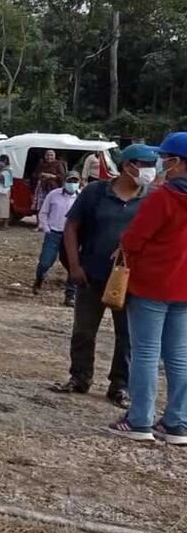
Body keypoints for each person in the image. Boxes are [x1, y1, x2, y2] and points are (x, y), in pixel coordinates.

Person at [52, 143, 157, 407]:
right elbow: (71, 226)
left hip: (132, 279)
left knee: (127, 335)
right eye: (145, 166)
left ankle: (119, 385)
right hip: (92, 274)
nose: (149, 171)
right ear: (127, 165)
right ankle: (79, 377)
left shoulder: (152, 198)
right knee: (84, 330)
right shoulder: (96, 192)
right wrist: (74, 266)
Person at [109, 133, 187, 444]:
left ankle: (139, 420)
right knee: (179, 357)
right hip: (184, 287)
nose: (160, 164)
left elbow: (134, 239)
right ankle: (176, 423)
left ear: (177, 162)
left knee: (145, 353)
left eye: (165, 158)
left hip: (152, 284)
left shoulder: (164, 197)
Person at [34, 171, 81, 307]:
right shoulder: (53, 195)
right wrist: (46, 228)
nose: (72, 184)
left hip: (72, 236)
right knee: (45, 262)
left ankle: (70, 294)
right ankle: (39, 278)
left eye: (75, 181)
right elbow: (43, 212)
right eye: (70, 181)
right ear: (64, 181)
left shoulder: (81, 197)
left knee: (73, 264)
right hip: (54, 233)